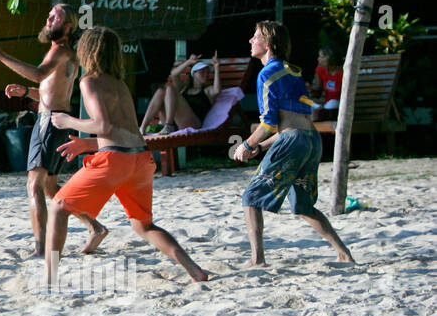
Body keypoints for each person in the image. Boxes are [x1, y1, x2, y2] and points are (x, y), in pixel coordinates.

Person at [49, 27, 209, 287]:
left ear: (87, 52)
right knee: (144, 226)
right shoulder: (119, 83)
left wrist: (67, 120)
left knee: (58, 207)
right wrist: (89, 144)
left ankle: (48, 274)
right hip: (140, 159)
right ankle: (194, 269)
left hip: (116, 160)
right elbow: (123, 131)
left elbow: (104, 126)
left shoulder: (89, 81)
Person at [0, 3, 105, 256]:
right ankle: (95, 226)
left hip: (49, 121)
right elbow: (50, 91)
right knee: (50, 188)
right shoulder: (66, 53)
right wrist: (26, 93)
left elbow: (38, 75)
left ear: (68, 26)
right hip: (58, 118)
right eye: (48, 15)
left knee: (33, 186)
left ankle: (40, 248)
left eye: (54, 17)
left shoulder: (59, 50)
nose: (48, 19)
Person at [230, 22, 355, 266]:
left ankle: (257, 260)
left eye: (255, 37)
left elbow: (268, 123)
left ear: (267, 43)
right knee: (304, 205)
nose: (250, 41)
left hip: (293, 141)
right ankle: (343, 253)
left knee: (251, 197)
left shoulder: (265, 74)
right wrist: (263, 146)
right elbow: (296, 122)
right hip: (311, 139)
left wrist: (246, 145)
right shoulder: (293, 71)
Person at [139, 51, 222, 133]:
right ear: (193, 74)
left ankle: (169, 125)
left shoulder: (207, 90)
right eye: (202, 72)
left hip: (193, 123)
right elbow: (174, 74)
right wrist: (188, 62)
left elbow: (217, 90)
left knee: (170, 89)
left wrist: (216, 67)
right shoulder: (184, 88)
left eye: (208, 72)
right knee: (161, 91)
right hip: (176, 122)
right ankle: (142, 127)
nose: (206, 74)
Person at [308, 44, 344, 116]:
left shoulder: (342, 73)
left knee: (333, 103)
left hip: (340, 108)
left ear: (331, 58)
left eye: (321, 56)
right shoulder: (320, 70)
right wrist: (309, 89)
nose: (318, 59)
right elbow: (317, 92)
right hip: (326, 106)